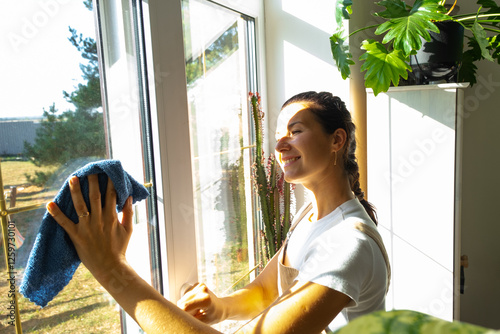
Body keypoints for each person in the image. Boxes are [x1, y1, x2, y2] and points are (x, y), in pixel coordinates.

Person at [47, 91, 388, 333]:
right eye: (278, 135)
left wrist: (109, 267)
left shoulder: (348, 244)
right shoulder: (310, 216)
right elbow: (268, 292)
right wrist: (219, 307)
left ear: (336, 140)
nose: (280, 144)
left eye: (296, 131)